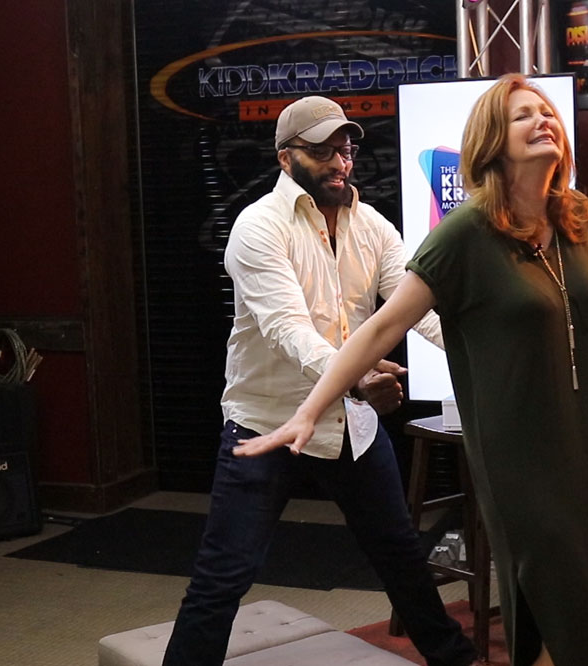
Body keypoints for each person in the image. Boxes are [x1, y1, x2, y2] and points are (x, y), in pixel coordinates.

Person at [233, 74, 588, 666]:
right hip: (521, 452)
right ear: (494, 140)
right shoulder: (464, 234)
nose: (543, 120)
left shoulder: (576, 215)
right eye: (523, 115)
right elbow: (383, 327)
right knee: (556, 588)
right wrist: (311, 408)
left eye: (546, 111)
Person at [160, 96, 483, 666]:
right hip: (266, 424)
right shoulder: (258, 227)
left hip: (350, 428)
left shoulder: (373, 226)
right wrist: (357, 380)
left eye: (346, 148)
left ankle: (455, 660)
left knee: (401, 557)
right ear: (286, 158)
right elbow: (290, 330)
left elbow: (417, 311)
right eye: (323, 151)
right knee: (224, 576)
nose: (340, 161)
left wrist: (486, 357)